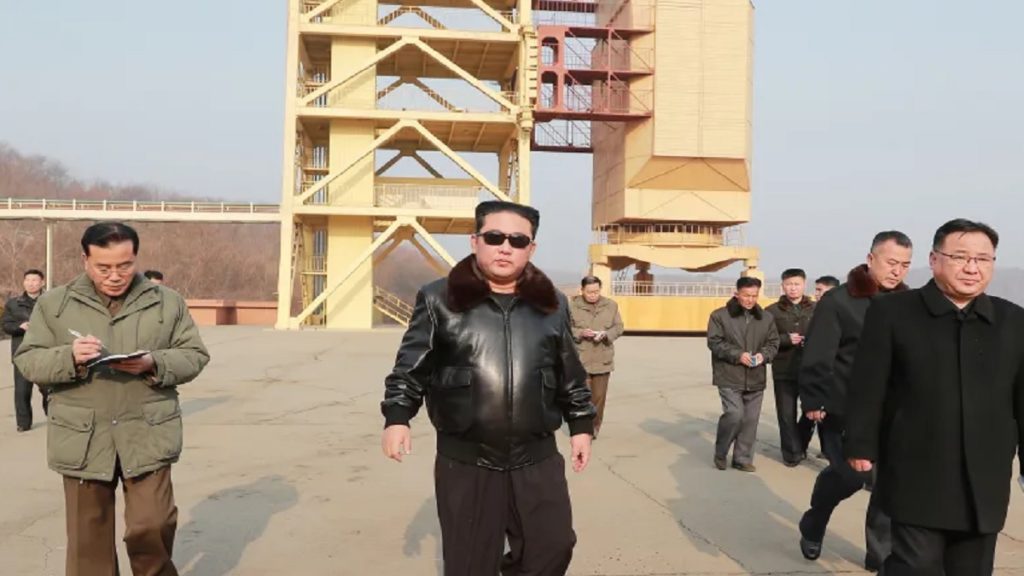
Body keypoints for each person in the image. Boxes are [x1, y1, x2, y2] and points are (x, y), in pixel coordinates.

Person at [380, 201, 595, 576]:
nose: (505, 247)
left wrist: (581, 425)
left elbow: (570, 372)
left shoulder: (553, 305)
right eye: (494, 237)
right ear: (475, 241)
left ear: (531, 248)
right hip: (468, 460)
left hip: (536, 456)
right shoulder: (439, 299)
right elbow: (411, 366)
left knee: (554, 547)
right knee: (470, 565)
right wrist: (398, 416)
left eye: (517, 240)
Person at [14, 221, 210, 576]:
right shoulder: (55, 304)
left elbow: (194, 354)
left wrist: (154, 362)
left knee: (153, 525)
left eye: (125, 265)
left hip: (147, 433)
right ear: (85, 260)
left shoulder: (166, 301)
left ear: (136, 258)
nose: (115, 276)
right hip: (82, 436)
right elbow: (28, 360)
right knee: (88, 545)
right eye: (104, 267)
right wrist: (69, 356)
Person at [846, 219, 1024, 575]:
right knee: (915, 565)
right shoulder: (893, 312)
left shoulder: (1013, 320)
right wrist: (860, 442)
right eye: (960, 257)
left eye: (983, 259)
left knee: (972, 568)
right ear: (934, 259)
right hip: (916, 467)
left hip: (984, 476)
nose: (972, 268)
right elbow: (869, 383)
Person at [797, 231, 912, 570]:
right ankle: (814, 521)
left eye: (905, 265)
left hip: (892, 412)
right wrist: (814, 400)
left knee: (889, 485)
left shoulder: (908, 303)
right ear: (871, 258)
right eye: (891, 262)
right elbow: (818, 353)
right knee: (849, 477)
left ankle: (881, 555)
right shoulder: (839, 301)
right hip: (843, 408)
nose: (897, 271)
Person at [707, 276, 780, 473]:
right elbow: (714, 342)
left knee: (750, 421)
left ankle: (742, 458)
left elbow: (773, 343)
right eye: (746, 295)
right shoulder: (719, 316)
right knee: (734, 414)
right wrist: (738, 355)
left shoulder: (766, 318)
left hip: (756, 376)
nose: (750, 300)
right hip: (729, 375)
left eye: (754, 296)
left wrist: (763, 356)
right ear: (737, 294)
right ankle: (721, 452)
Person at [765, 268, 815, 466]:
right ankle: (791, 454)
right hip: (784, 369)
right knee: (786, 414)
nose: (793, 288)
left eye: (797, 284)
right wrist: (785, 339)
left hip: (810, 369)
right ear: (782, 286)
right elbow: (765, 339)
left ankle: (800, 443)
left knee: (811, 412)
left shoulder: (816, 309)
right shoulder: (771, 311)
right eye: (789, 284)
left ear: (804, 285)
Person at [569, 275, 624, 438]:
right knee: (581, 397)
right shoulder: (572, 306)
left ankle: (594, 426)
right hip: (581, 359)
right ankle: (583, 428)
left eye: (596, 291)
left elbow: (619, 327)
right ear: (582, 290)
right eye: (589, 292)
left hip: (602, 359)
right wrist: (580, 333)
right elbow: (564, 328)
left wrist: (606, 334)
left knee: (598, 398)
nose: (593, 295)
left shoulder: (611, 305)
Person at [2, 268, 48, 431]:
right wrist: (20, 326)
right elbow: (6, 325)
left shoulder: (50, 301)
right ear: (24, 282)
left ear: (42, 282)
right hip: (21, 351)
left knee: (48, 389)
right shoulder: (13, 303)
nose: (31, 283)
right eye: (28, 280)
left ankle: (53, 416)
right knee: (22, 391)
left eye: (34, 280)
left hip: (45, 351)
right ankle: (23, 423)